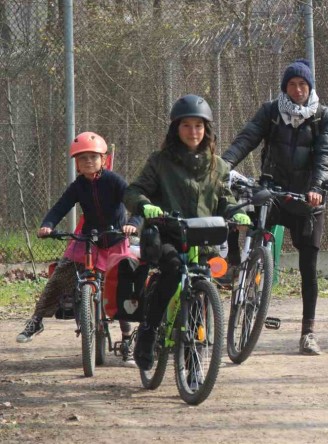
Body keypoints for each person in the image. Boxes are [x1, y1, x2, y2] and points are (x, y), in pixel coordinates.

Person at [124, 94, 248, 370]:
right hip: (169, 236)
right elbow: (134, 191)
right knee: (171, 269)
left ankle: (195, 356)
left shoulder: (217, 165)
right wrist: (145, 206)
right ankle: (148, 331)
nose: (193, 132)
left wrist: (235, 212)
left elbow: (225, 199)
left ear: (207, 130)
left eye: (199, 126)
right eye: (186, 126)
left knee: (203, 285)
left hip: (203, 239)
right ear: (175, 129)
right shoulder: (160, 161)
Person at [222, 59, 328, 356]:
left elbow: (325, 155)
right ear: (284, 87)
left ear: (310, 87)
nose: (297, 90)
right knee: (242, 214)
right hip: (272, 190)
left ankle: (308, 333)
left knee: (308, 267)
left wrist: (316, 188)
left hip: (306, 198)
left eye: (303, 84)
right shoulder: (271, 112)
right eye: (292, 85)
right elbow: (247, 138)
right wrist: (222, 165)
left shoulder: (324, 116)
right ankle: (241, 267)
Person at [16, 132, 139, 364]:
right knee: (60, 274)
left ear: (104, 159)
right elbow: (61, 206)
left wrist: (133, 224)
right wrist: (47, 225)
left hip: (114, 238)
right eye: (82, 159)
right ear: (76, 165)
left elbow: (135, 203)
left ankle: (127, 340)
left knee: (122, 288)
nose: (88, 162)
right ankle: (36, 320)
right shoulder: (78, 186)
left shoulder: (114, 181)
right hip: (89, 239)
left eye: (93, 157)